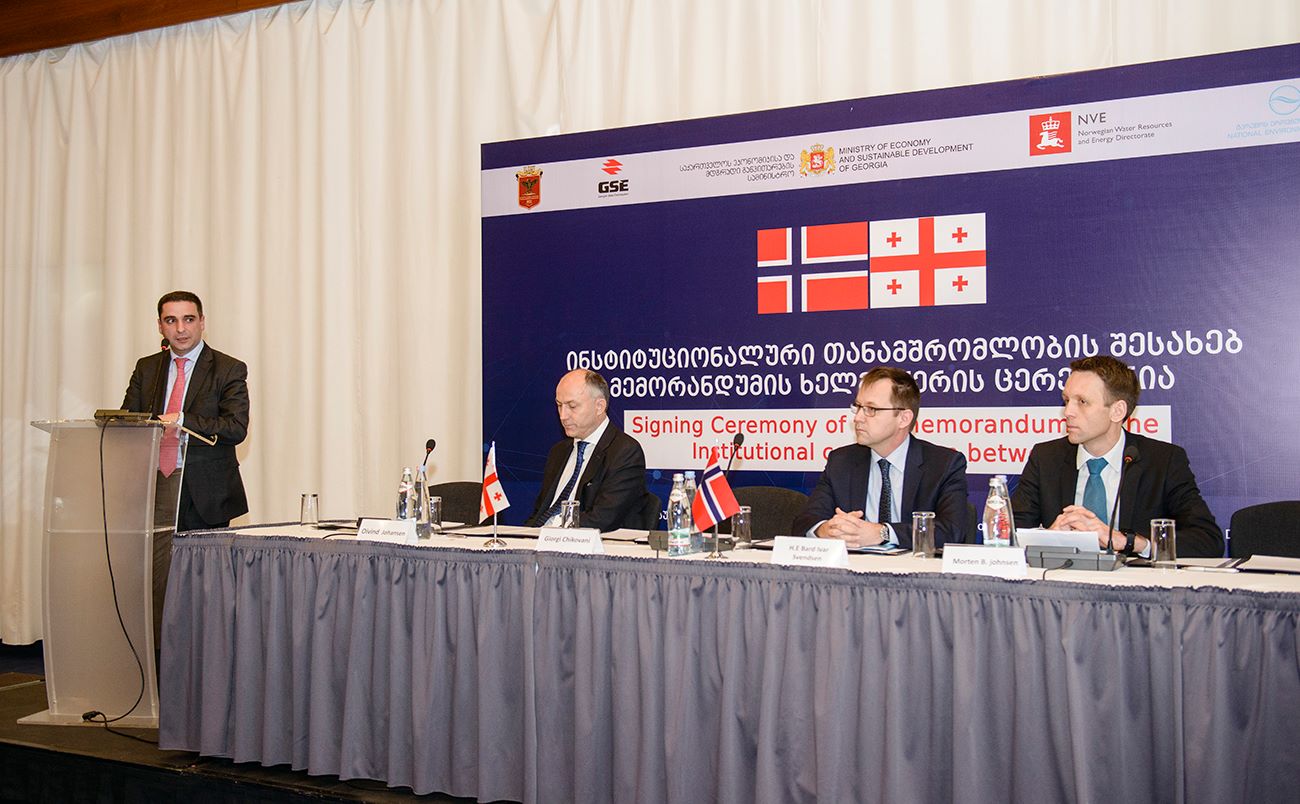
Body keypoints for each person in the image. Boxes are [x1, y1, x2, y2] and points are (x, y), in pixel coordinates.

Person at [1011, 355, 1223, 557]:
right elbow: (1008, 537)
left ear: (1117, 411)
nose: (1067, 412)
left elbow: (1208, 540)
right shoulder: (1045, 458)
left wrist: (1129, 542)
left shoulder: (1163, 461)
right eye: (1067, 400)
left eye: (1082, 401)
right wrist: (1051, 537)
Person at [792, 366, 968, 549]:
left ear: (903, 418)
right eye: (858, 407)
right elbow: (805, 521)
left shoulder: (944, 464)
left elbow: (951, 531)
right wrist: (826, 530)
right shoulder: (841, 461)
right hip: (854, 566)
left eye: (871, 409)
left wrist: (882, 533)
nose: (858, 418)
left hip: (914, 566)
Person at [122, 290, 250, 532]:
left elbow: (235, 428)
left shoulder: (228, 369)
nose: (180, 329)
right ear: (160, 326)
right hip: (153, 487)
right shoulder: (147, 368)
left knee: (200, 559)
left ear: (202, 322)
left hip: (205, 494)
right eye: (171, 320)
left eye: (188, 319)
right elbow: (128, 422)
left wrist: (183, 420)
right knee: (155, 558)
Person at [525, 369, 647, 532]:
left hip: (590, 544)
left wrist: (551, 529)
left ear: (599, 406)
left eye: (572, 406)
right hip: (540, 540)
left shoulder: (624, 452)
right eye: (559, 405)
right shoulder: (558, 452)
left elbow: (603, 519)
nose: (563, 416)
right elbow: (540, 513)